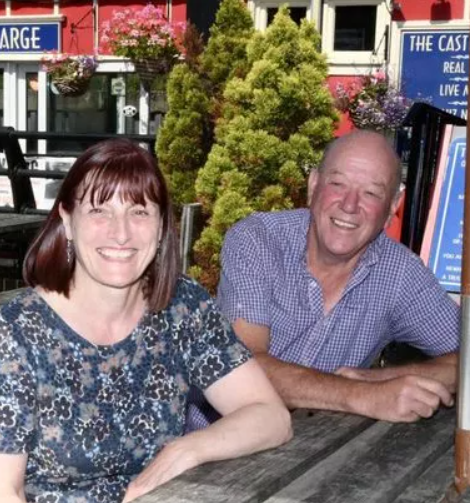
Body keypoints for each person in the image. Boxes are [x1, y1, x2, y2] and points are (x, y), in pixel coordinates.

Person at [0, 139, 292, 503]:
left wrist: (185, 450)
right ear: (67, 220)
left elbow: (271, 416)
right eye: (99, 211)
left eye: (139, 212)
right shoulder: (19, 331)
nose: (120, 233)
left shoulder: (182, 307)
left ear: (161, 225)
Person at [187, 130, 459, 431]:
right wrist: (360, 394)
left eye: (371, 193)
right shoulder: (258, 240)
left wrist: (380, 379)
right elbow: (241, 367)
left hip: (310, 454)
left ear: (392, 207)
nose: (350, 204)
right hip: (208, 450)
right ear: (314, 185)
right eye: (338, 184)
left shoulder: (399, 274)